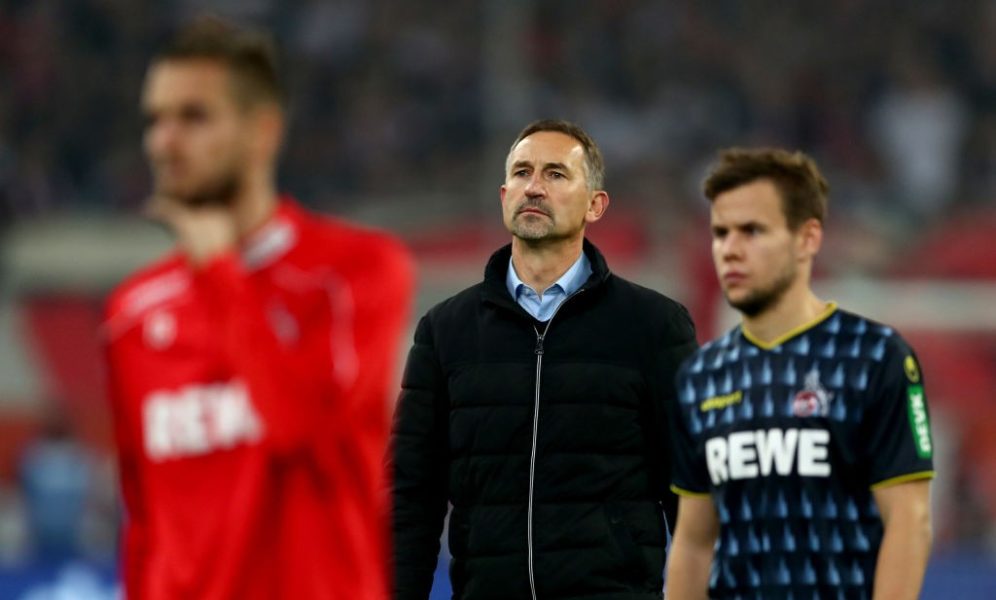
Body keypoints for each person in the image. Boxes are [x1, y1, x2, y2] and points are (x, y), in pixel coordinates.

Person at [102, 17, 414, 600]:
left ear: (262, 132)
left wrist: (220, 270)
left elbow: (304, 429)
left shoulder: (353, 273)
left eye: (193, 117)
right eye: (155, 119)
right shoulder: (132, 314)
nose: (162, 142)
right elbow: (144, 525)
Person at [390, 119, 698, 600]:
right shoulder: (445, 330)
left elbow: (690, 493)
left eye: (556, 174)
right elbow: (412, 496)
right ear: (503, 194)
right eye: (522, 172)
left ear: (596, 205)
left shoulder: (654, 327)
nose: (533, 187)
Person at [665, 148, 934, 599]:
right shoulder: (701, 376)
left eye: (752, 231)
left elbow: (910, 521)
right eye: (720, 232)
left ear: (808, 238)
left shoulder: (873, 356)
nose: (730, 249)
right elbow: (694, 542)